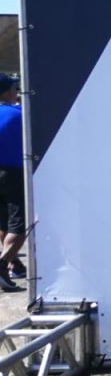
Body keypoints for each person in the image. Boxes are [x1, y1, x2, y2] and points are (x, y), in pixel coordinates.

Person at [0, 73, 25, 291]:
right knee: (19, 224)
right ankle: (3, 263)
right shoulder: (19, 113)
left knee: (4, 223)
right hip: (14, 173)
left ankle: (14, 265)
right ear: (8, 91)